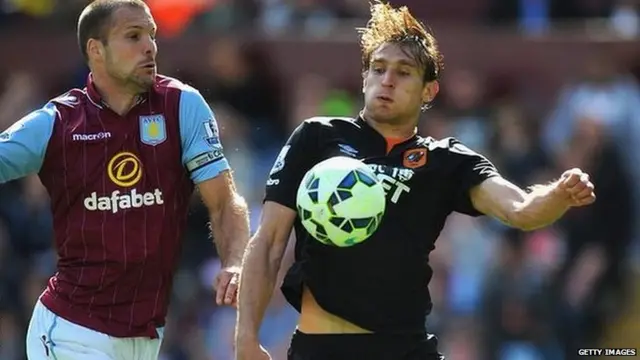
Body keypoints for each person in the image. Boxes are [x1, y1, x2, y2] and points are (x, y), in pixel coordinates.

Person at [234, 2, 596, 360]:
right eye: (378, 69)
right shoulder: (316, 138)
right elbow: (268, 242)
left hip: (406, 347)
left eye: (404, 72)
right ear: (365, 78)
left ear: (429, 91)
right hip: (323, 348)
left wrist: (559, 194)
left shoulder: (446, 161)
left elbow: (520, 210)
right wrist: (246, 337)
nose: (387, 80)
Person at [0, 1, 250, 359]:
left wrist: (234, 261)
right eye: (133, 36)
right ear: (95, 50)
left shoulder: (183, 106)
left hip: (145, 338)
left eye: (152, 35)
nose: (149, 46)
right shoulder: (57, 122)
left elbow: (224, 201)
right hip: (72, 332)